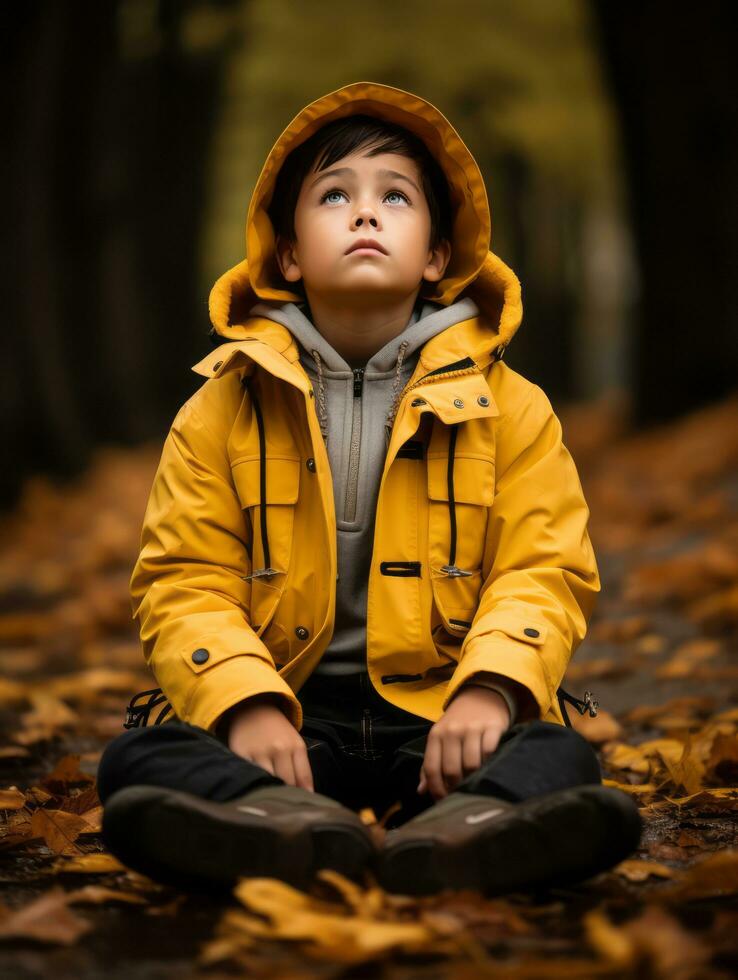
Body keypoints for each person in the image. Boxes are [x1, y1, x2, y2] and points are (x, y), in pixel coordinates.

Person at [98, 81, 642, 896]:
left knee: (560, 753)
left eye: (394, 195)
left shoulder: (512, 408)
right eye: (333, 196)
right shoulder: (222, 407)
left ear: (435, 255)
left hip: (441, 721)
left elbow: (543, 567)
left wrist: (491, 691)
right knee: (137, 757)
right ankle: (283, 821)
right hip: (287, 719)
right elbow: (184, 580)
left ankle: (457, 825)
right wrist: (244, 703)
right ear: (286, 254)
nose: (364, 214)